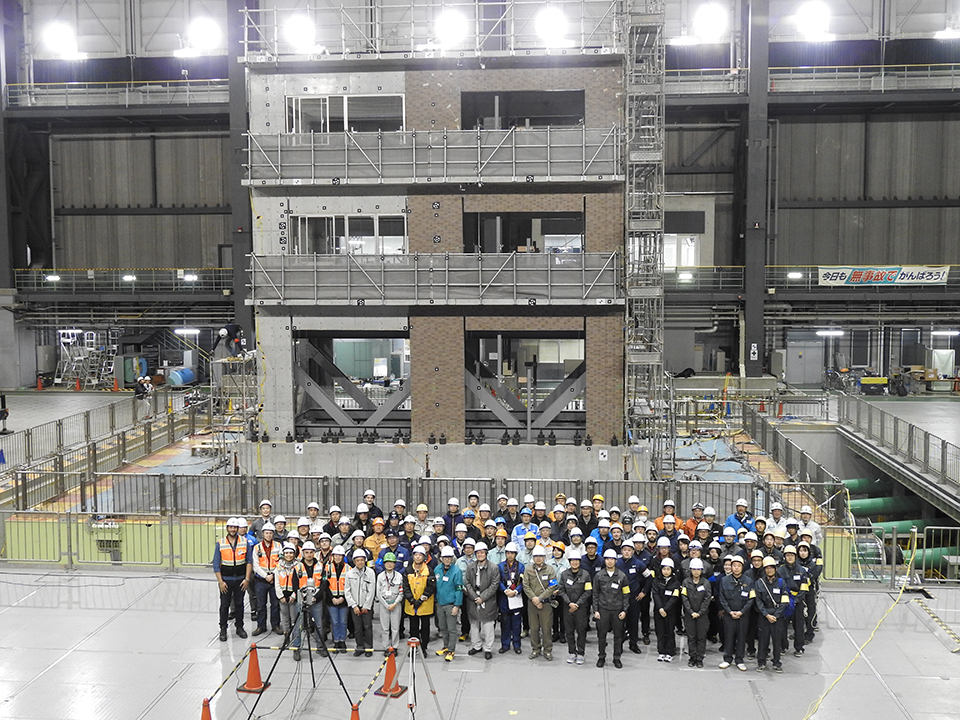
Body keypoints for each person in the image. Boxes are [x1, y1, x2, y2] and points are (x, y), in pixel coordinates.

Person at [213, 517, 251, 641]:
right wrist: (220, 582)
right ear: (227, 528)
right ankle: (223, 629)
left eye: (235, 527)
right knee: (224, 605)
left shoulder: (244, 542)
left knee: (239, 604)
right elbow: (216, 564)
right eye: (231, 527)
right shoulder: (221, 543)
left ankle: (239, 627)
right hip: (226, 580)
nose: (233, 529)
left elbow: (249, 561)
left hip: (240, 579)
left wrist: (246, 579)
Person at [592, 548, 630, 668]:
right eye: (607, 559)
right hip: (603, 610)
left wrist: (625, 610)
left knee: (618, 636)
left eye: (612, 559)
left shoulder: (622, 576)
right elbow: (595, 594)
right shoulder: (598, 576)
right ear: (604, 560)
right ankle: (601, 657)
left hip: (617, 610)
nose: (609, 561)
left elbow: (626, 594)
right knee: (602, 635)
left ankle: (616, 658)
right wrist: (596, 610)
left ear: (615, 560)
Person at [463, 542, 499, 659]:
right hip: (473, 599)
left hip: (487, 600)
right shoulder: (470, 567)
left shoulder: (493, 568)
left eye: (482, 552)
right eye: (478, 553)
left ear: (486, 553)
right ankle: (476, 645)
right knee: (474, 624)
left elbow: (494, 585)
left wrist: (483, 597)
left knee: (488, 625)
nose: (480, 555)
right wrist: (474, 597)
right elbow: (467, 582)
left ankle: (488, 648)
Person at [718, 555, 754, 671]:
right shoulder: (724, 581)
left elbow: (751, 599)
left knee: (741, 637)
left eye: (739, 566)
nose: (736, 568)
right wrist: (729, 611)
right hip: (729, 615)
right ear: (731, 567)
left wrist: (742, 612)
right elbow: (722, 598)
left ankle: (739, 659)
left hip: (743, 615)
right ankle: (727, 659)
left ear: (742, 567)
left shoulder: (749, 581)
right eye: (734, 566)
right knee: (729, 636)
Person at [523, 545, 558, 661]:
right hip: (532, 603)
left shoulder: (550, 570)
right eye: (536, 556)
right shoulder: (528, 569)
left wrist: (540, 598)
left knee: (546, 628)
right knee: (533, 628)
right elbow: (526, 586)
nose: (538, 558)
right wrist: (534, 599)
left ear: (544, 557)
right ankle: (535, 649)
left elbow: (553, 586)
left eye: (541, 556)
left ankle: (547, 650)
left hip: (546, 604)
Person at [754, 556, 788, 673]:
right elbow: (758, 601)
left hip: (777, 616)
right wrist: (766, 614)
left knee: (777, 640)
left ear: (775, 569)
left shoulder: (781, 583)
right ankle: (761, 662)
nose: (769, 570)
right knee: (763, 640)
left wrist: (777, 615)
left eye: (771, 568)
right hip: (764, 616)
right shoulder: (759, 583)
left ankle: (777, 662)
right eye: (767, 568)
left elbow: (784, 600)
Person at [559, 549, 592, 665]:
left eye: (577, 561)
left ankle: (581, 653)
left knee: (581, 631)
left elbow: (588, 591)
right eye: (572, 561)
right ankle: (572, 652)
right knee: (569, 631)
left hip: (581, 608)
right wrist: (569, 603)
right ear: (569, 562)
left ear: (580, 562)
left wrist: (577, 603)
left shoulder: (586, 574)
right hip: (567, 607)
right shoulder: (564, 574)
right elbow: (561, 590)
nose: (574, 563)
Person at [403, 546, 437, 654]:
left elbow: (431, 587)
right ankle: (414, 647)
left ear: (424, 557)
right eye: (416, 555)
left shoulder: (429, 571)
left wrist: (421, 599)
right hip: (411, 605)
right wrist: (413, 600)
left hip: (425, 605)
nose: (417, 557)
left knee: (425, 627)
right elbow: (405, 587)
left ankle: (424, 647)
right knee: (413, 628)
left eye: (420, 555)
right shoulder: (408, 570)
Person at [777, 545, 810, 657]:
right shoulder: (780, 570)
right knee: (782, 626)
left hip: (798, 601)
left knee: (799, 625)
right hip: (785, 601)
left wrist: (796, 600)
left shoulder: (801, 570)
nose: (790, 557)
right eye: (787, 555)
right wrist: (786, 600)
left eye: (792, 555)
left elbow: (804, 587)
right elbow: (779, 585)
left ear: (795, 556)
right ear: (784, 556)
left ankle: (799, 647)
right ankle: (783, 646)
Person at [275, 543, 306, 660]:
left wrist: (294, 595)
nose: (289, 555)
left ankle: (296, 641)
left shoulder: (299, 566)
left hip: (294, 596)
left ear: (294, 554)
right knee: (285, 618)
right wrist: (280, 596)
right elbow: (277, 583)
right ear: (283, 554)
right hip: (283, 596)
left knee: (295, 619)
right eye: (287, 553)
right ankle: (286, 636)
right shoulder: (278, 566)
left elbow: (300, 582)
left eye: (291, 553)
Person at [617, 538, 648, 654]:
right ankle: (619, 645)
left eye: (629, 550)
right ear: (621, 551)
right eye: (624, 550)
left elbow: (649, 578)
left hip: (634, 598)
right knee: (620, 623)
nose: (627, 552)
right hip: (620, 599)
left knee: (634, 622)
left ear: (633, 551)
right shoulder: (617, 564)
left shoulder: (639, 564)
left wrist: (643, 592)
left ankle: (633, 644)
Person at [251, 522, 282, 636]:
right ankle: (261, 626)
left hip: (274, 579)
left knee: (275, 604)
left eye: (270, 533)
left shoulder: (278, 546)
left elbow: (280, 562)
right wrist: (266, 576)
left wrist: (273, 575)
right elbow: (255, 566)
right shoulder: (257, 548)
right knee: (261, 605)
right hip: (261, 580)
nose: (268, 535)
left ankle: (276, 625)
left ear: (273, 534)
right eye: (266, 533)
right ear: (263, 534)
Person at [434, 546, 464, 662]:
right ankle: (446, 646)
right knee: (442, 627)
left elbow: (459, 589)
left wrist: (457, 605)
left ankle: (451, 650)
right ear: (441, 558)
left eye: (449, 558)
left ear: (452, 558)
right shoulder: (437, 569)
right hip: (440, 604)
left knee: (451, 629)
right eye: (445, 557)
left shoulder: (456, 571)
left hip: (451, 604)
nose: (447, 560)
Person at [681, 557, 711, 668]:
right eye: (694, 569)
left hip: (702, 616)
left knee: (701, 637)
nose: (696, 571)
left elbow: (707, 599)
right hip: (689, 615)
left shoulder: (706, 583)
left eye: (698, 569)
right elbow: (684, 598)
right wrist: (690, 611)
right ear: (690, 570)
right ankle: (692, 657)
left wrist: (700, 612)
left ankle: (700, 658)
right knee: (691, 636)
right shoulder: (686, 582)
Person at [299, 541, 328, 657]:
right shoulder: (298, 566)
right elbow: (295, 583)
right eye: (307, 552)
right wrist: (303, 596)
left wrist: (316, 596)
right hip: (302, 599)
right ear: (303, 553)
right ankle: (297, 648)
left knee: (319, 624)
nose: (309, 555)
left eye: (311, 552)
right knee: (299, 625)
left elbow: (323, 583)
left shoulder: (320, 566)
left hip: (317, 600)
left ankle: (320, 646)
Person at [651, 557, 681, 662]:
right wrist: (660, 608)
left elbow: (675, 597)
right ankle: (661, 651)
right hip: (659, 611)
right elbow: (655, 594)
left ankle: (670, 651)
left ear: (672, 570)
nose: (666, 571)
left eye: (668, 569)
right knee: (660, 631)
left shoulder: (676, 583)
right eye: (664, 569)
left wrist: (666, 609)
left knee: (669, 631)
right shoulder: (656, 581)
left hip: (671, 612)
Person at [497, 542, 525, 654]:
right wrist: (505, 590)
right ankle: (505, 644)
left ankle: (517, 644)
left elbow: (524, 582)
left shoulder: (521, 566)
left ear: (515, 554)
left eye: (512, 553)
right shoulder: (500, 566)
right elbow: (497, 581)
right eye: (508, 553)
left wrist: (515, 591)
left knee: (516, 624)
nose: (510, 555)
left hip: (516, 598)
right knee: (505, 623)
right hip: (504, 598)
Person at [376, 552, 404, 652]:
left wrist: (394, 604)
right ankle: (386, 647)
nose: (389, 564)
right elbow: (378, 593)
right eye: (387, 562)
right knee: (385, 628)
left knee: (395, 628)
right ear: (384, 564)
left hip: (396, 604)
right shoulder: (380, 577)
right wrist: (386, 605)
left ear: (395, 563)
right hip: (384, 605)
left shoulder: (399, 576)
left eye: (391, 562)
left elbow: (401, 593)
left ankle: (395, 647)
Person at [324, 546, 350, 652]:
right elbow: (325, 584)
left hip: (344, 600)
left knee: (343, 621)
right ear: (332, 556)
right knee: (334, 622)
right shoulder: (327, 567)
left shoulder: (348, 568)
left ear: (343, 556)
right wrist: (332, 598)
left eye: (340, 555)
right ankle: (336, 641)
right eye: (336, 555)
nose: (338, 557)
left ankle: (342, 641)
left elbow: (350, 585)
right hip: (331, 600)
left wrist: (343, 597)